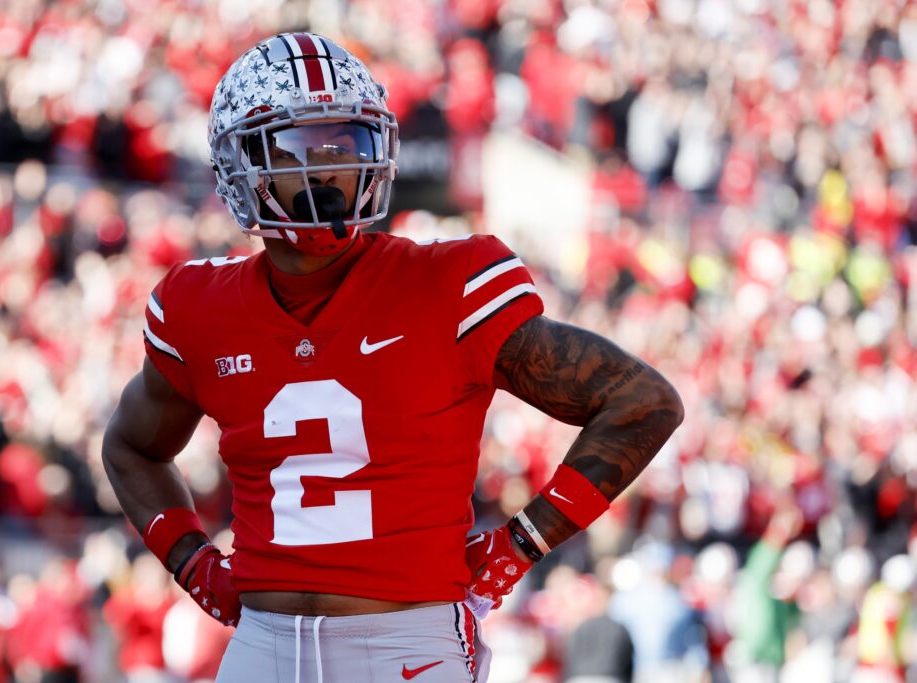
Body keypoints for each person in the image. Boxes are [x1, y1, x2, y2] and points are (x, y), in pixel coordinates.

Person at [102, 32, 684, 683]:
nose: (327, 170)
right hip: (263, 643)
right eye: (300, 147)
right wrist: (192, 562)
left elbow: (643, 400)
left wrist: (525, 539)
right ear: (240, 162)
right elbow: (131, 447)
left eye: (346, 145)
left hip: (405, 644)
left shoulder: (449, 282)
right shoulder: (196, 306)